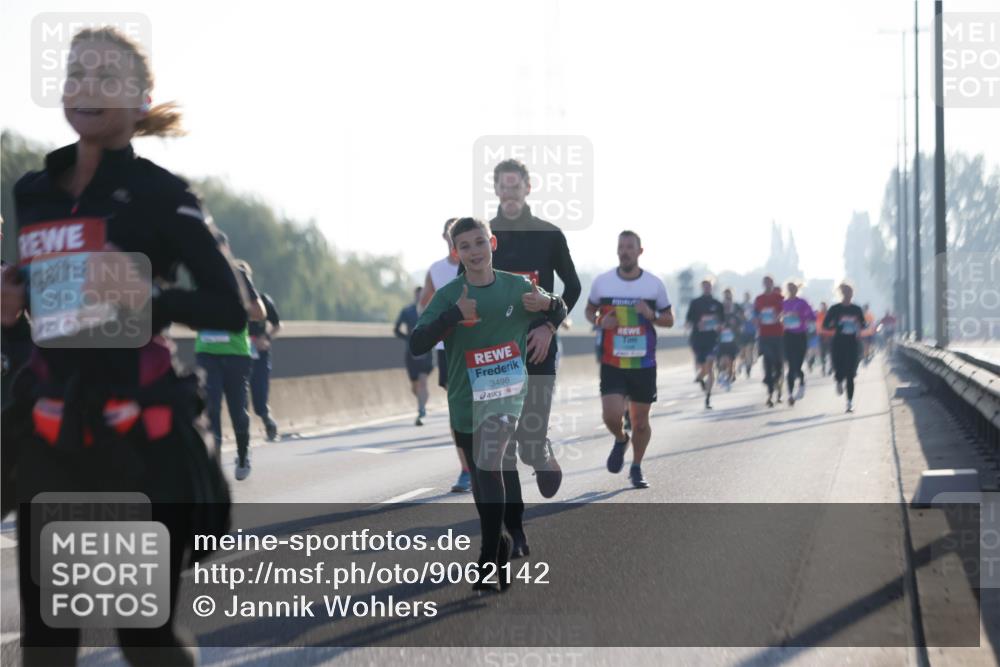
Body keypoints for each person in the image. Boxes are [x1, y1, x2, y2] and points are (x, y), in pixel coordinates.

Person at [1, 26, 241, 665]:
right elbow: (43, 326)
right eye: (76, 73)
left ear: (140, 103)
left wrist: (141, 295)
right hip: (51, 437)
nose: (86, 87)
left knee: (142, 637)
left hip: (132, 439)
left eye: (108, 78)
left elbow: (230, 306)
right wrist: (9, 315)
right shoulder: (33, 192)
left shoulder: (162, 196)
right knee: (47, 642)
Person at [409, 217, 566, 591]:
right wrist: (451, 318)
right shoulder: (449, 295)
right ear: (455, 252)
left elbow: (557, 310)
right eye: (465, 246)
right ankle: (502, 540)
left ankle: (488, 558)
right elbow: (417, 344)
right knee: (483, 480)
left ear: (492, 243)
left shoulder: (517, 287)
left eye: (480, 242)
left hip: (508, 395)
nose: (474, 252)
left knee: (491, 460)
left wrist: (548, 309)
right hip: (466, 400)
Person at [479, 158, 581, 556]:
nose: (509, 193)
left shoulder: (549, 234)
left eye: (515, 186)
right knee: (501, 446)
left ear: (528, 188)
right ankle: (515, 531)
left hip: (539, 344)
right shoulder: (484, 236)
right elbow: (467, 287)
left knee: (527, 442)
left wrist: (550, 323)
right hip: (497, 354)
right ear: (496, 191)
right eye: (502, 187)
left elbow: (572, 285)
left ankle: (541, 452)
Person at [585, 231, 673, 489]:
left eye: (630, 247)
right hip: (613, 361)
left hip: (643, 364)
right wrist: (602, 321)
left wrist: (651, 314)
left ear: (639, 251)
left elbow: (669, 319)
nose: (625, 251)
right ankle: (621, 438)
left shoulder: (654, 284)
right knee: (611, 416)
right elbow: (590, 311)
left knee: (641, 422)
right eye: (621, 247)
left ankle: (636, 467)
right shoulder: (602, 283)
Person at [195, 232, 266, 481]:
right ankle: (213, 467)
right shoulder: (199, 274)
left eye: (218, 248)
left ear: (227, 249)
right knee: (210, 409)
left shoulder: (239, 276)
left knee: (237, 411)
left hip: (236, 354)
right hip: (207, 353)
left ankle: (243, 454)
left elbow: (260, 312)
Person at [419, 218, 470, 492]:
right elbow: (423, 305)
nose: (455, 239)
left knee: (485, 407)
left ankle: (489, 460)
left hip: (479, 344)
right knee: (458, 408)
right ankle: (466, 468)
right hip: (448, 348)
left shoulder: (479, 264)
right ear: (445, 237)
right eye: (451, 235)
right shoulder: (437, 270)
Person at [823, 284, 866, 413]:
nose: (848, 294)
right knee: (839, 368)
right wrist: (836, 326)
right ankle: (838, 380)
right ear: (841, 293)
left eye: (850, 292)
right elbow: (826, 325)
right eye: (845, 292)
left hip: (853, 343)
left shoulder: (856, 309)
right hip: (838, 343)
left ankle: (849, 402)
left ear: (852, 294)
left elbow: (863, 324)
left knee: (851, 374)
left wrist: (860, 325)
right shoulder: (835, 309)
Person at [395, 287, 433, 425]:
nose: (419, 298)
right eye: (417, 295)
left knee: (423, 381)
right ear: (414, 295)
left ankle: (421, 409)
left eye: (421, 295)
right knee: (414, 386)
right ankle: (421, 402)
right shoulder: (406, 311)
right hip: (411, 352)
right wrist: (407, 338)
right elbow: (396, 329)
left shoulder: (430, 310)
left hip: (426, 351)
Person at [685, 279, 724, 409]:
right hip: (698, 339)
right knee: (703, 368)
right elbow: (689, 320)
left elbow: (722, 322)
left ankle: (708, 397)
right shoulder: (695, 303)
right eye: (705, 286)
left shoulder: (717, 304)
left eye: (709, 286)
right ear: (702, 287)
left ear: (712, 287)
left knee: (710, 365)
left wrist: (718, 326)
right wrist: (693, 324)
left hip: (712, 340)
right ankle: (701, 378)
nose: (707, 288)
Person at [249, 291, 281, 440]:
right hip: (237, 353)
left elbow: (277, 325)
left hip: (259, 355)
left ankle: (268, 420)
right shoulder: (232, 300)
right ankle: (243, 437)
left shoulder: (263, 301)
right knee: (239, 398)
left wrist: (266, 338)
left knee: (259, 396)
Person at [781, 281, 816, 406]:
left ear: (797, 289)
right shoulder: (783, 303)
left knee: (798, 365)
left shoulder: (802, 302)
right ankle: (790, 394)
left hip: (800, 336)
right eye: (789, 288)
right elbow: (778, 317)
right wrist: (782, 317)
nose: (792, 290)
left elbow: (812, 316)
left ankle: (801, 382)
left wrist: (801, 315)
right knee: (791, 366)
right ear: (786, 290)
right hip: (788, 336)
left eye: (794, 288)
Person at [754, 275, 785, 407]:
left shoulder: (779, 298)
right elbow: (755, 313)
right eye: (765, 282)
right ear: (763, 284)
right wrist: (756, 319)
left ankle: (778, 387)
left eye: (769, 282)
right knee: (767, 358)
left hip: (778, 334)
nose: (767, 284)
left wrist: (780, 317)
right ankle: (770, 390)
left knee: (778, 364)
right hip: (764, 334)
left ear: (773, 284)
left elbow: (786, 312)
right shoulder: (759, 299)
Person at [717, 288, 743, 389]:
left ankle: (729, 377)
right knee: (723, 360)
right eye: (725, 295)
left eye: (729, 295)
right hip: (721, 341)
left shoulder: (736, 310)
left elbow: (741, 323)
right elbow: (715, 324)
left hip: (733, 341)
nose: (726, 304)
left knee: (731, 361)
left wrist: (735, 325)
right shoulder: (719, 312)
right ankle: (722, 374)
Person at [740, 291, 757, 377]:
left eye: (748, 296)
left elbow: (757, 317)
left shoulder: (753, 306)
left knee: (749, 349)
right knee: (743, 351)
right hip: (742, 332)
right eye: (745, 296)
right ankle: (743, 362)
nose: (746, 297)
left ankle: (748, 366)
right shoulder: (740, 306)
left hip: (751, 331)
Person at [816, 300, 834, 375]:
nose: (823, 307)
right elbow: (817, 325)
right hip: (822, 335)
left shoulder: (830, 314)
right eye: (822, 306)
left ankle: (831, 367)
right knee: (823, 353)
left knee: (831, 352)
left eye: (824, 306)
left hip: (830, 335)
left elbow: (833, 324)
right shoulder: (819, 314)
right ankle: (823, 367)